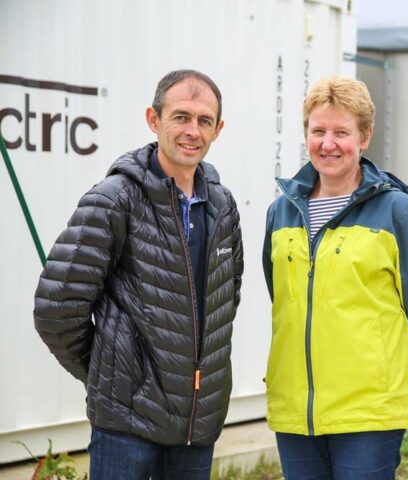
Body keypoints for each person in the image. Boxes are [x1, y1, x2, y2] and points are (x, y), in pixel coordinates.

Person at [33, 69, 243, 480]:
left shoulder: (222, 205)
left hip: (196, 425)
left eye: (204, 121)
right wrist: (111, 373)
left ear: (218, 129)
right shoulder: (114, 199)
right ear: (154, 119)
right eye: (180, 116)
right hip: (126, 425)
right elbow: (56, 308)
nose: (192, 131)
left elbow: (225, 299)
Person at [262, 77, 408, 480]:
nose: (328, 144)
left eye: (342, 132)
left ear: (365, 136)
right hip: (295, 409)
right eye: (318, 131)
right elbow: (284, 300)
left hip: (368, 412)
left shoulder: (401, 212)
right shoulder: (280, 212)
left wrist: (381, 375)